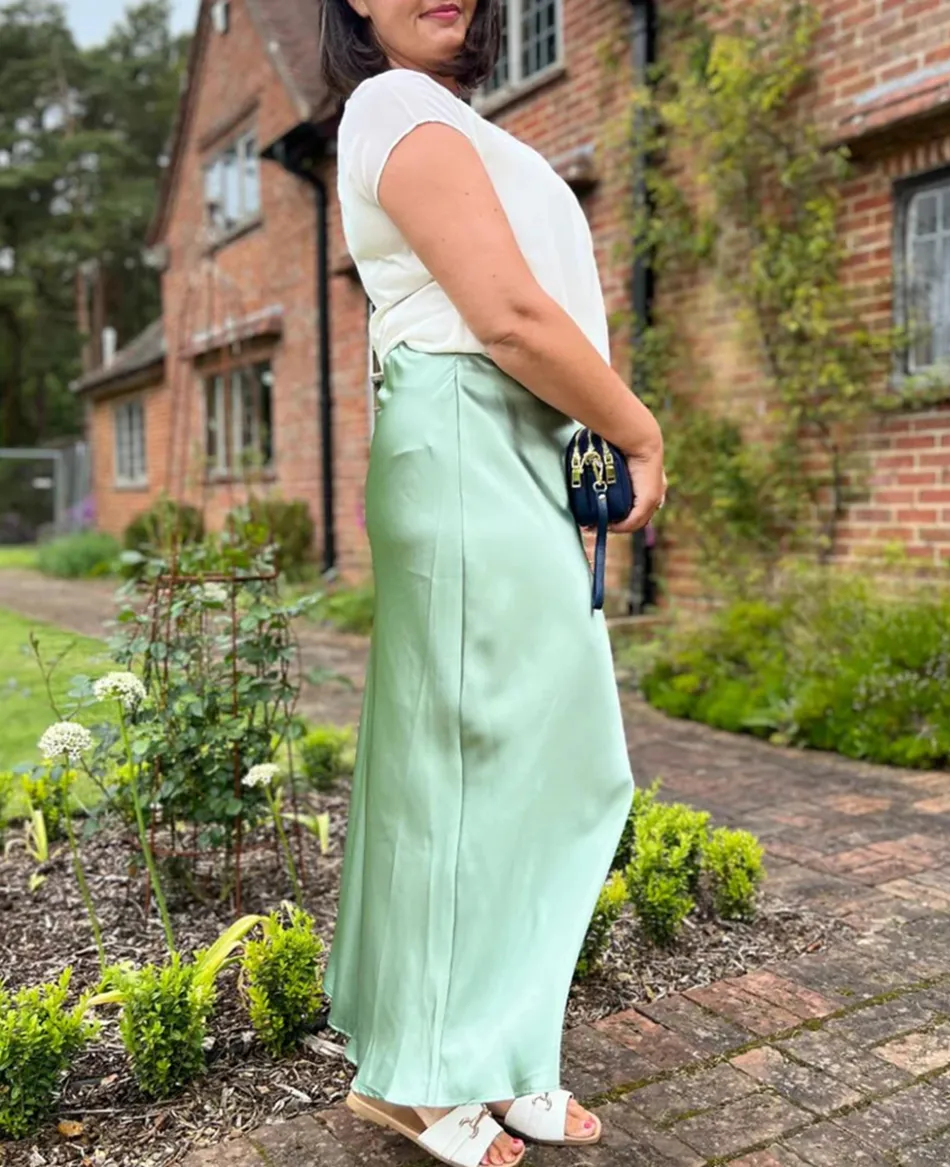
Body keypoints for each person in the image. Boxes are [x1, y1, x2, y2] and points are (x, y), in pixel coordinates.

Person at [318, 0, 668, 1162]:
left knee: (525, 756)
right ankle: (421, 1074)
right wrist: (640, 431)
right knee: (486, 757)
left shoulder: (453, 116)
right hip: (466, 429)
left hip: (507, 442)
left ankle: (503, 1054)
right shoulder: (390, 103)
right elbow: (511, 318)